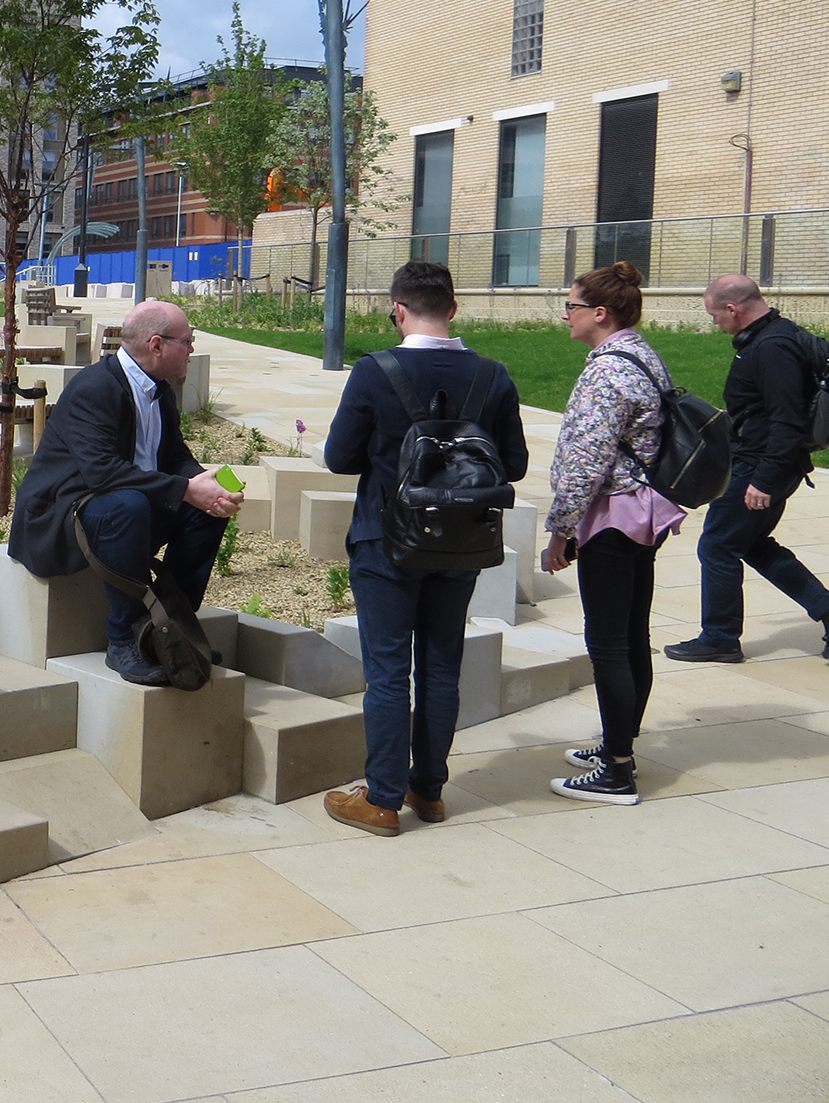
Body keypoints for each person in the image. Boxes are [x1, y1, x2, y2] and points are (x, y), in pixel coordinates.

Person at [321, 261, 529, 836]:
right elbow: (512, 464)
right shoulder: (493, 375)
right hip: (461, 543)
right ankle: (428, 791)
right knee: (442, 668)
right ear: (454, 309)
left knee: (387, 672)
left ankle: (382, 799)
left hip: (386, 539)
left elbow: (340, 458)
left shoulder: (374, 371)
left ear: (398, 310)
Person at [8, 299, 241, 686]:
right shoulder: (95, 388)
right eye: (187, 340)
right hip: (61, 516)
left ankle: (171, 626)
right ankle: (122, 640)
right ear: (156, 344)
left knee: (204, 510)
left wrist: (204, 486)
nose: (192, 349)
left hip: (118, 505)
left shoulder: (160, 390)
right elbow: (102, 474)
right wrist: (185, 489)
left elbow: (173, 455)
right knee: (127, 505)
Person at [542, 262, 683, 805]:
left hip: (613, 517)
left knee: (608, 645)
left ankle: (617, 770)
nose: (566, 313)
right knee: (629, 637)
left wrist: (561, 530)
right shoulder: (641, 354)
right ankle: (618, 743)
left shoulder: (607, 372)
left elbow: (586, 462)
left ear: (599, 313)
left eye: (572, 304)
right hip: (642, 513)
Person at [664, 275, 829, 663]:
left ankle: (720, 638)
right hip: (765, 461)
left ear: (733, 309)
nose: (716, 324)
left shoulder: (772, 348)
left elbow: (786, 420)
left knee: (718, 545)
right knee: (750, 544)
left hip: (761, 465)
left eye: (716, 316)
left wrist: (764, 480)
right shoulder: (775, 335)